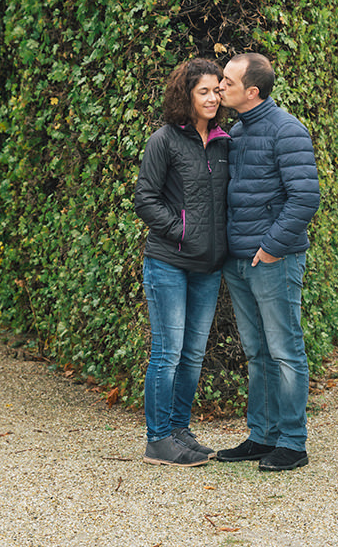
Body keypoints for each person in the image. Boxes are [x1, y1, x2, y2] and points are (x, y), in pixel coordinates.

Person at [215, 53, 320, 472]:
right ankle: (262, 436)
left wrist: (272, 248)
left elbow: (305, 198)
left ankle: (293, 443)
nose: (220, 86)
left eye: (227, 81)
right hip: (239, 261)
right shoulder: (237, 132)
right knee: (257, 352)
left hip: (272, 261)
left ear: (251, 91)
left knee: (285, 351)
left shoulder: (287, 131)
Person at [133, 58, 231, 467]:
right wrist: (183, 232)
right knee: (168, 352)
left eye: (215, 90)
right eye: (203, 91)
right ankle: (157, 439)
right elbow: (145, 198)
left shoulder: (226, 140)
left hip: (208, 267)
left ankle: (178, 430)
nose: (212, 97)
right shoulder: (165, 140)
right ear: (186, 95)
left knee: (192, 354)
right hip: (169, 263)